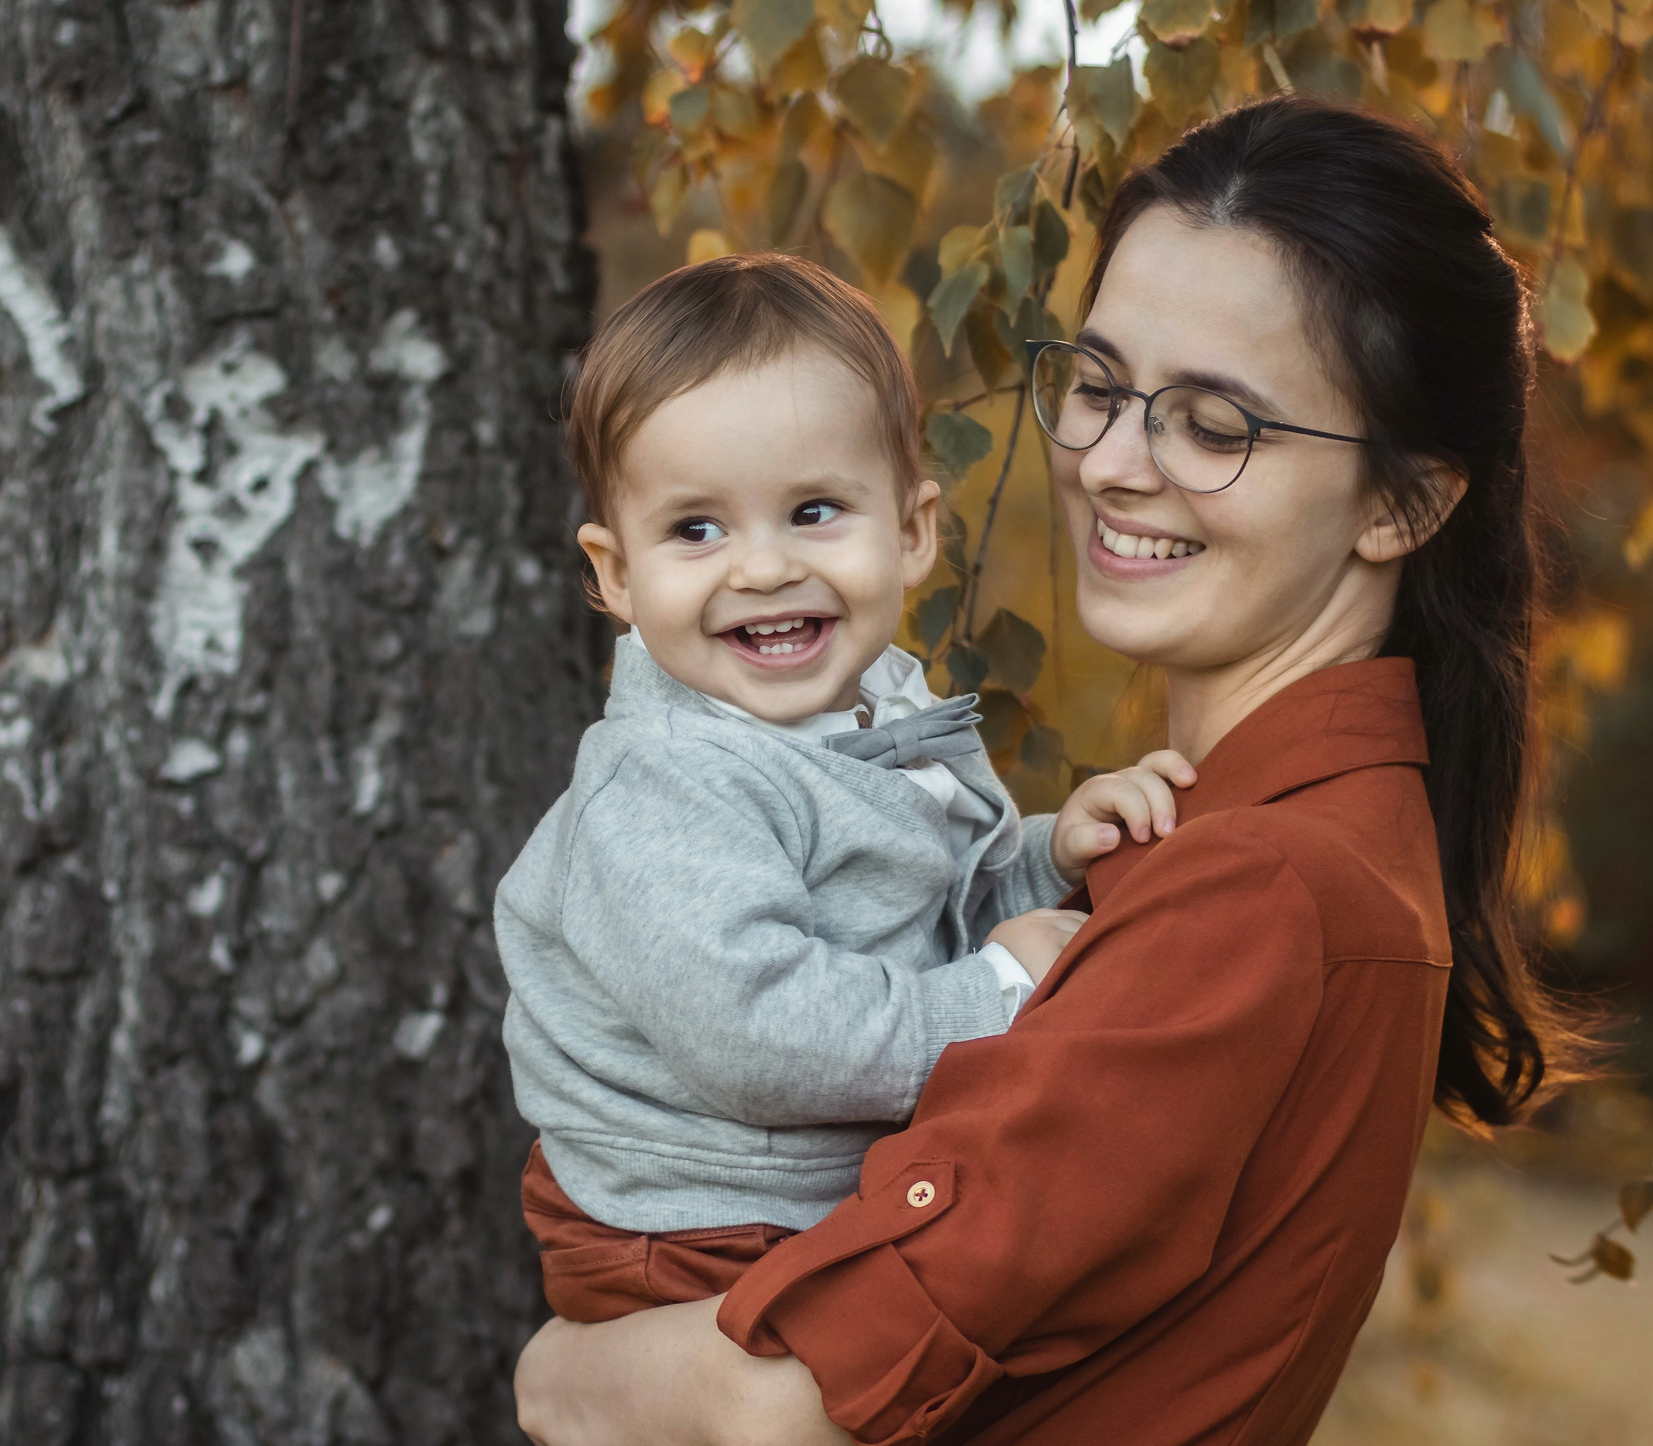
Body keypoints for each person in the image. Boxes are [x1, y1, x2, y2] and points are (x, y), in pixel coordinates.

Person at [509, 95, 1588, 1446]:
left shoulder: (1265, 890)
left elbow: (775, 1408)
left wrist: (553, 1379)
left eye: (1215, 423)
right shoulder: (1229, 836)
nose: (1116, 462)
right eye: (1099, 385)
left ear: (1400, 504)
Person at [497, 252, 1196, 1332]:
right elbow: (763, 1036)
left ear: (911, 533)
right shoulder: (668, 784)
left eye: (814, 510)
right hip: (693, 1226)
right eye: (695, 529)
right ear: (617, 572)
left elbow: (909, 918)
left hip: (800, 1192)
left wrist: (1045, 860)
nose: (763, 568)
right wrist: (993, 996)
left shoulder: (869, 710)